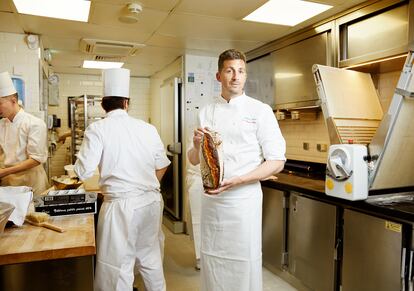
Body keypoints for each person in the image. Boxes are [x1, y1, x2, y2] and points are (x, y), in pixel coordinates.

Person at [187, 49, 286, 291]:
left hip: (243, 202)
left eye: (240, 71)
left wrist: (241, 179)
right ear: (218, 76)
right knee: (212, 259)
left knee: (244, 261)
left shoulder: (259, 111)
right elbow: (193, 160)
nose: (236, 76)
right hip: (213, 202)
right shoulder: (206, 111)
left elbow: (277, 161)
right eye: (229, 70)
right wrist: (198, 145)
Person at [74, 68, 170, 291]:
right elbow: (163, 164)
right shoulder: (147, 128)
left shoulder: (97, 128)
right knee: (151, 258)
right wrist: (144, 185)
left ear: (102, 105)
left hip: (121, 206)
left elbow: (83, 171)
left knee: (118, 265)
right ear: (127, 103)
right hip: (151, 202)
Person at [0, 71, 49, 195]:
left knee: (32, 214)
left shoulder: (34, 123)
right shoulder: (1, 124)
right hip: (8, 182)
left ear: (13, 100)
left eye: (0, 103)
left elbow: (36, 159)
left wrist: (5, 171)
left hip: (31, 182)